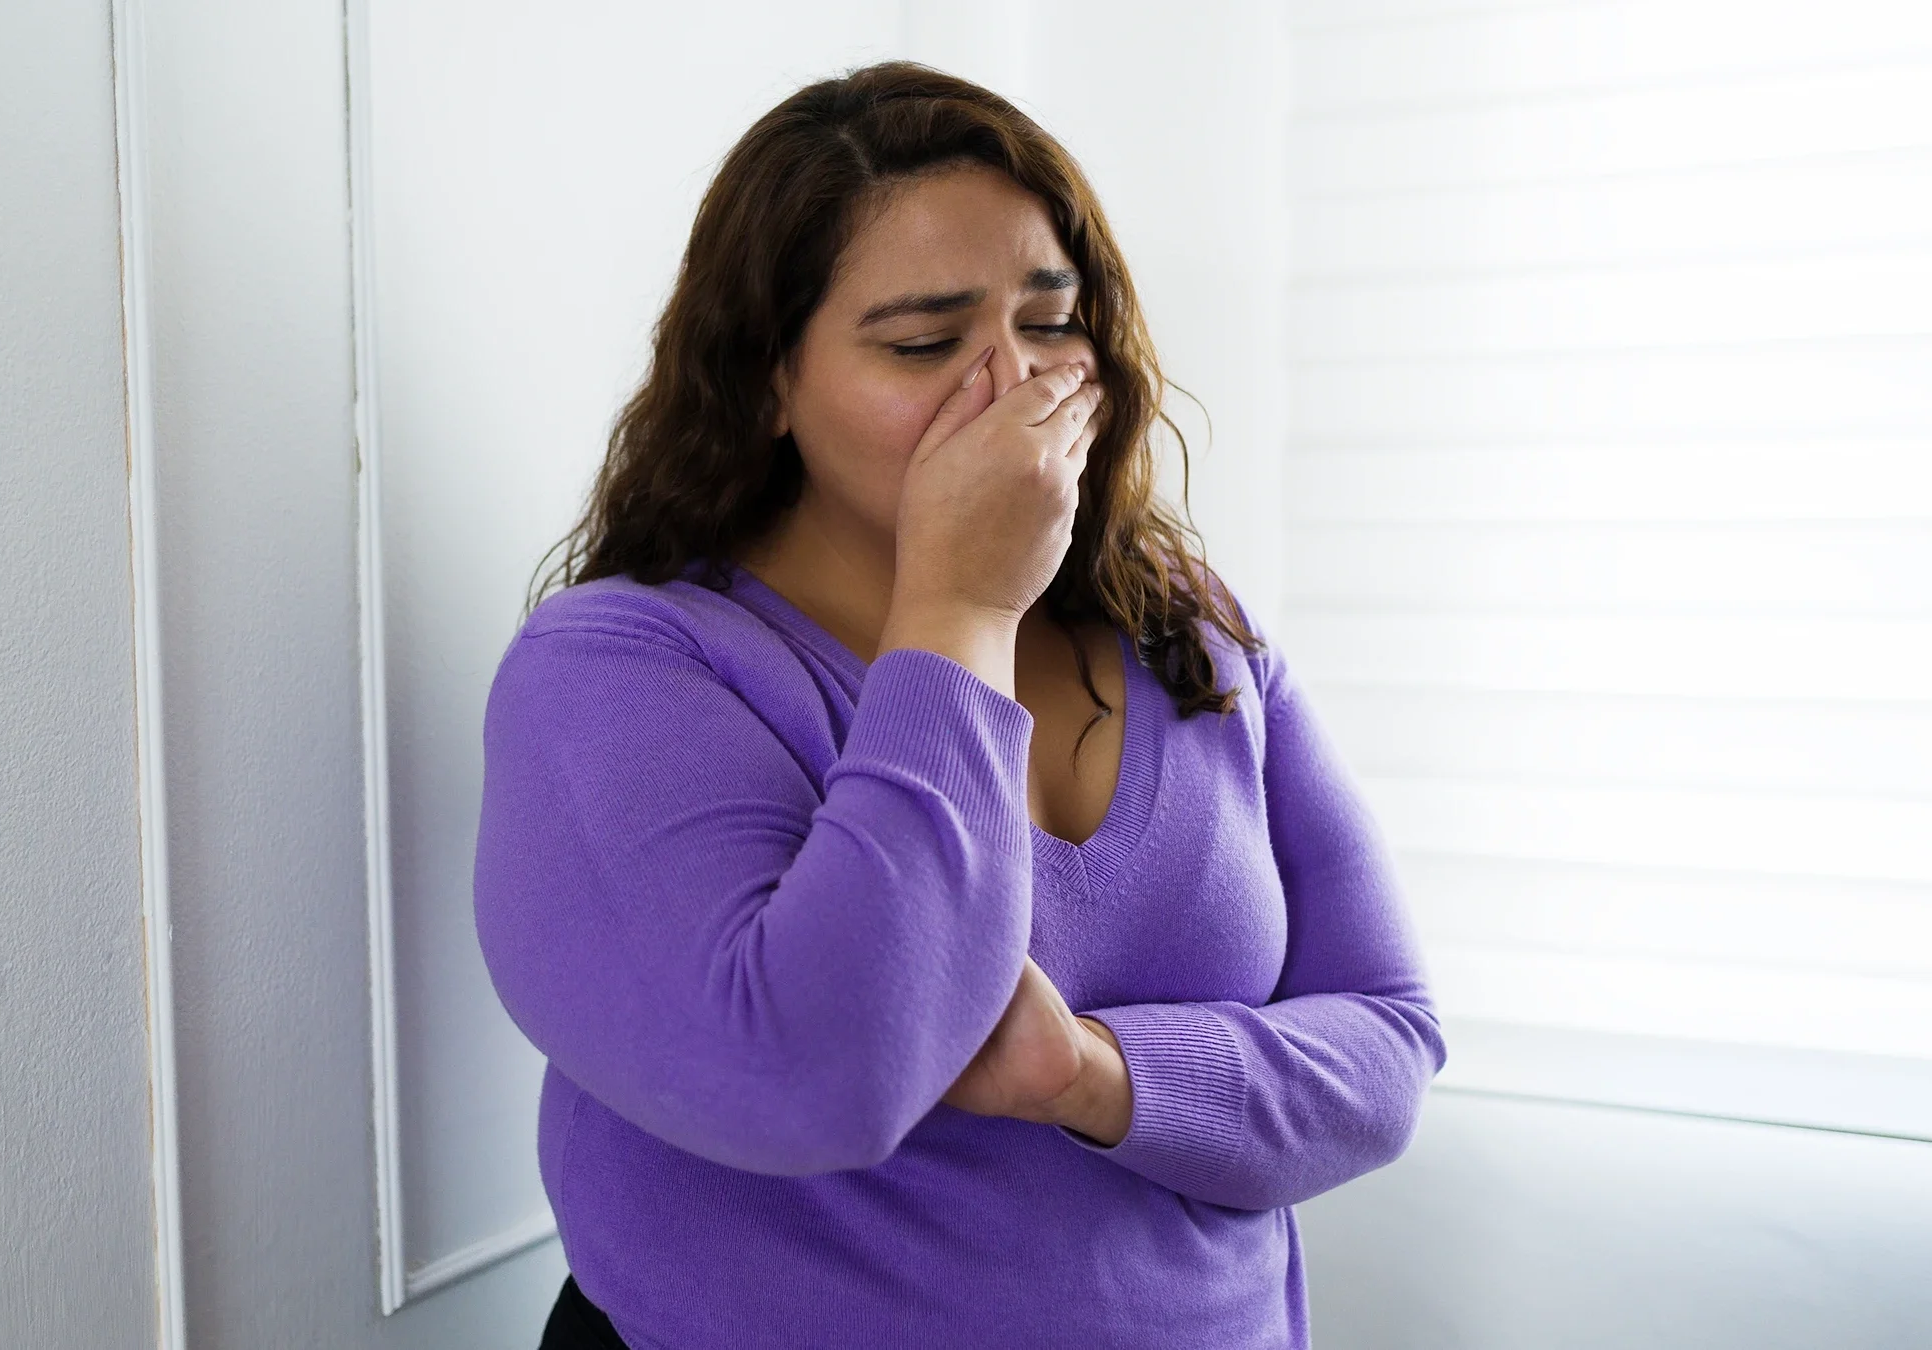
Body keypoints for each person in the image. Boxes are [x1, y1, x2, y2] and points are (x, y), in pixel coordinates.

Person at [474, 60, 1444, 1350]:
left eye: (1050, 322)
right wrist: (963, 607)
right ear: (768, 378)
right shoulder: (619, 672)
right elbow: (812, 1077)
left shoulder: (1186, 631)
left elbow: (1386, 1043)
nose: (1014, 387)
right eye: (926, 344)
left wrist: (1092, 1077)